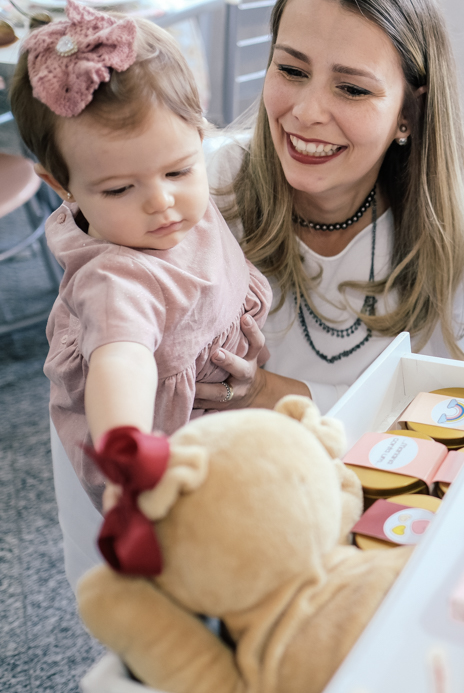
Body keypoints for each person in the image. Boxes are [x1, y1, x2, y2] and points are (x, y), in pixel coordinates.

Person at [10, 1, 272, 512]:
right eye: (119, 189)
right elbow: (121, 362)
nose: (161, 201)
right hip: (163, 449)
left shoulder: (173, 193)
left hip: (219, 401)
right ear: (61, 185)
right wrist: (128, 456)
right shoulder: (116, 281)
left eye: (178, 171)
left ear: (199, 134)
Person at [199, 0, 464, 415]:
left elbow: (430, 405)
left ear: (409, 113)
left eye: (352, 89)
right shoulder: (209, 192)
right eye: (291, 70)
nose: (306, 113)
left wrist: (265, 390)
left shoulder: (448, 229)